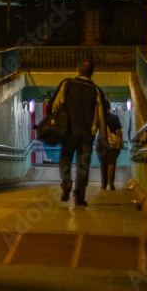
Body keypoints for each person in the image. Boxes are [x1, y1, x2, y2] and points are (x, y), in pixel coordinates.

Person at [48, 59, 107, 206]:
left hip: (68, 132)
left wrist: (57, 123)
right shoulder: (95, 90)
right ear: (91, 73)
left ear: (77, 70)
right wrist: (102, 136)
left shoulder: (67, 84)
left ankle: (66, 181)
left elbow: (55, 106)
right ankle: (80, 196)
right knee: (83, 165)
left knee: (65, 158)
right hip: (87, 135)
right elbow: (101, 115)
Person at [96, 100, 123, 191]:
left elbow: (94, 130)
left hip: (101, 143)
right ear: (110, 107)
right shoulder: (115, 117)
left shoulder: (99, 118)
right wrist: (119, 142)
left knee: (103, 164)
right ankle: (111, 184)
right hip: (113, 143)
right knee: (112, 162)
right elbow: (119, 131)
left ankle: (104, 184)